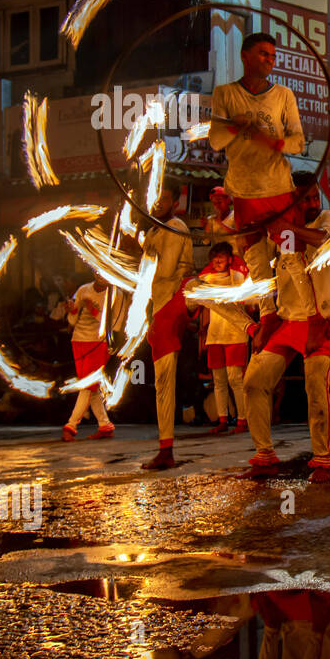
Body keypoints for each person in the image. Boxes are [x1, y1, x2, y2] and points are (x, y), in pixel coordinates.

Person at [240, 173, 330, 482]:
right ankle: (265, 456)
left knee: (315, 387)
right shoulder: (284, 225)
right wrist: (266, 315)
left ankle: (322, 461)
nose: (313, 204)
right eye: (306, 199)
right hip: (288, 319)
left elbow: (322, 240)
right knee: (254, 382)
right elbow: (261, 268)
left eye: (315, 197)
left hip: (322, 318)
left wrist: (283, 228)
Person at [207, 32, 305, 352]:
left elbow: (299, 142)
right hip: (245, 190)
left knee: (290, 250)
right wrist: (237, 125)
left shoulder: (284, 96)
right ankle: (267, 314)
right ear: (245, 56)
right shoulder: (225, 93)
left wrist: (273, 141)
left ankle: (306, 312)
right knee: (255, 258)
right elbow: (216, 142)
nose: (269, 60)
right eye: (263, 54)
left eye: (273, 56)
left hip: (278, 186)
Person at [141, 187, 196, 470]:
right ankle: (165, 447)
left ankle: (166, 449)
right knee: (163, 381)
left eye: (165, 199)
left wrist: (142, 255)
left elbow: (164, 271)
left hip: (173, 297)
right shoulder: (152, 232)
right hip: (160, 305)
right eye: (156, 199)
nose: (158, 203)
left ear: (175, 204)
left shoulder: (174, 226)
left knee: (165, 381)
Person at [191, 242, 252, 435]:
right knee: (218, 380)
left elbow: (249, 299)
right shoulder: (206, 279)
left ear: (229, 259)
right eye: (215, 257)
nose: (218, 260)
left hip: (235, 333)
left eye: (222, 256)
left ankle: (242, 420)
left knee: (236, 379)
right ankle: (222, 419)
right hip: (215, 335)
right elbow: (202, 307)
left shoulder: (238, 277)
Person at [62, 275, 116, 440]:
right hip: (79, 341)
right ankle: (105, 425)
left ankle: (71, 426)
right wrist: (71, 309)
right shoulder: (83, 289)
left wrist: (91, 308)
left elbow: (109, 322)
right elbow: (72, 320)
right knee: (91, 387)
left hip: (98, 343)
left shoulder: (114, 295)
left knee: (87, 385)